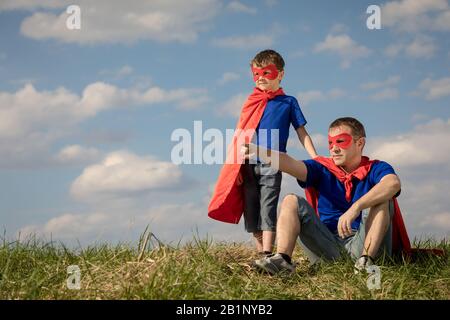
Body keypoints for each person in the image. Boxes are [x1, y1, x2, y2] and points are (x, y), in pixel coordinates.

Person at [242, 117, 405, 274]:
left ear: (360, 143)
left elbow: (392, 183)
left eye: (341, 141)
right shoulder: (322, 168)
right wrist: (260, 151)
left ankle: (365, 263)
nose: (334, 148)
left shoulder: (376, 167)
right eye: (330, 143)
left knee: (382, 199)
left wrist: (357, 207)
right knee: (291, 200)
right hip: (328, 246)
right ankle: (282, 260)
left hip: (364, 243)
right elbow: (291, 164)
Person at [208, 49, 317, 256]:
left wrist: (315, 157)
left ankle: (267, 252)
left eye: (266, 73)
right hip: (248, 162)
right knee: (251, 207)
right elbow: (241, 131)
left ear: (280, 74)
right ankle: (259, 252)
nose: (261, 78)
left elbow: (301, 132)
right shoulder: (251, 101)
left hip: (272, 162)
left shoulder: (288, 102)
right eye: (256, 74)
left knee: (268, 203)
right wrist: (235, 164)